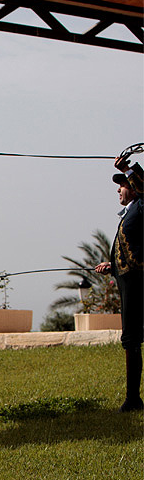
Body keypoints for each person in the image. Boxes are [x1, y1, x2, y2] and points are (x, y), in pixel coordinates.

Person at [95, 153, 143, 412]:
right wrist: (113, 265)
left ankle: (133, 400)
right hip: (128, 281)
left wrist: (128, 167)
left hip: (139, 282)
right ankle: (133, 398)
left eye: (122, 184)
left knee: (133, 337)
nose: (119, 188)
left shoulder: (142, 205)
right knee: (131, 338)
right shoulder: (130, 213)